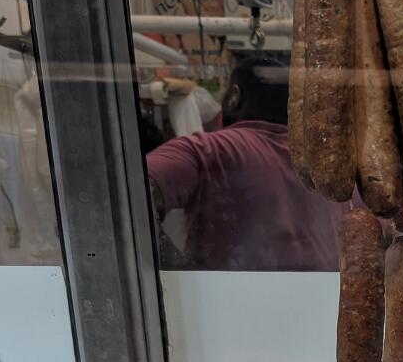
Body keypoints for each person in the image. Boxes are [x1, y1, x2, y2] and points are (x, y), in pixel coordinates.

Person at [145, 53, 343, 271]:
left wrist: (178, 269)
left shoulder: (209, 150)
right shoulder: (330, 170)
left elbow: (131, 192)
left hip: (221, 293)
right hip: (326, 294)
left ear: (234, 97)